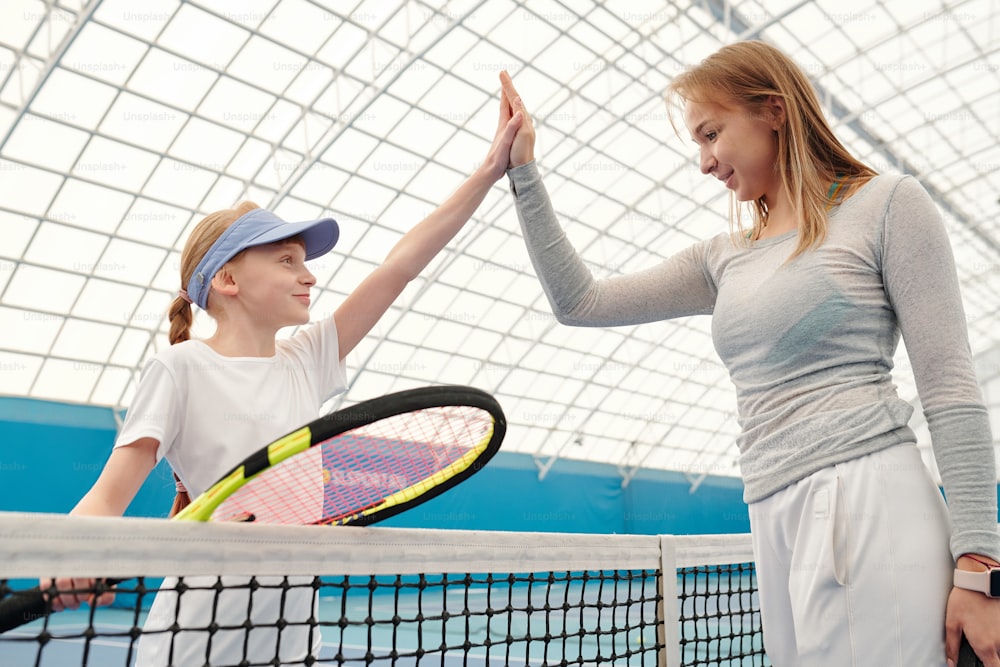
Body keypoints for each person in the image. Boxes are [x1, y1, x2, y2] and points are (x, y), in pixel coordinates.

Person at [497, 40, 1000, 667]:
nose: (705, 163)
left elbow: (950, 386)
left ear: (774, 111)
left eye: (712, 134)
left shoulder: (888, 204)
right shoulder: (721, 257)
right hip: (771, 509)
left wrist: (978, 565)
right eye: (697, 144)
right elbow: (580, 301)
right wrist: (523, 172)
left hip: (866, 497)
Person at [44, 93, 525, 665]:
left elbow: (399, 266)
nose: (310, 276)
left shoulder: (306, 360)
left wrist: (492, 168)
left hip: (293, 650)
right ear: (227, 279)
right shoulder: (180, 369)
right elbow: (108, 494)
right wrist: (60, 558)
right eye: (287, 260)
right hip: (189, 651)